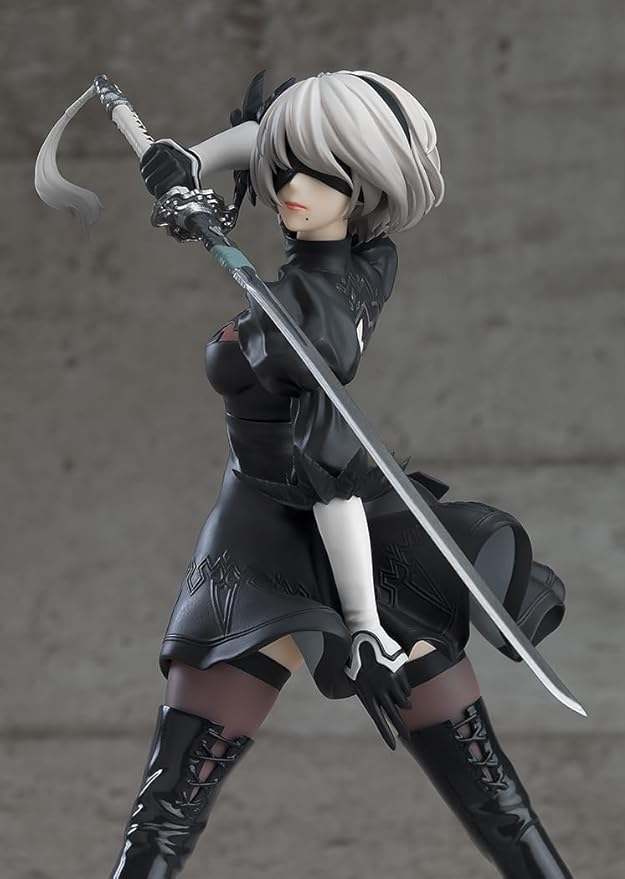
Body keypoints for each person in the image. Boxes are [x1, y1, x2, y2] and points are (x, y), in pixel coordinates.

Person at [105, 70, 572, 878]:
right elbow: (273, 137)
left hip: (342, 531)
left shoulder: (320, 318)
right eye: (287, 169)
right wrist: (195, 159)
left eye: (326, 176)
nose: (293, 188)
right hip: (254, 541)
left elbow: (334, 478)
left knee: (492, 796)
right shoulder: (360, 255)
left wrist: (363, 625)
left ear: (367, 186)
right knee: (169, 805)